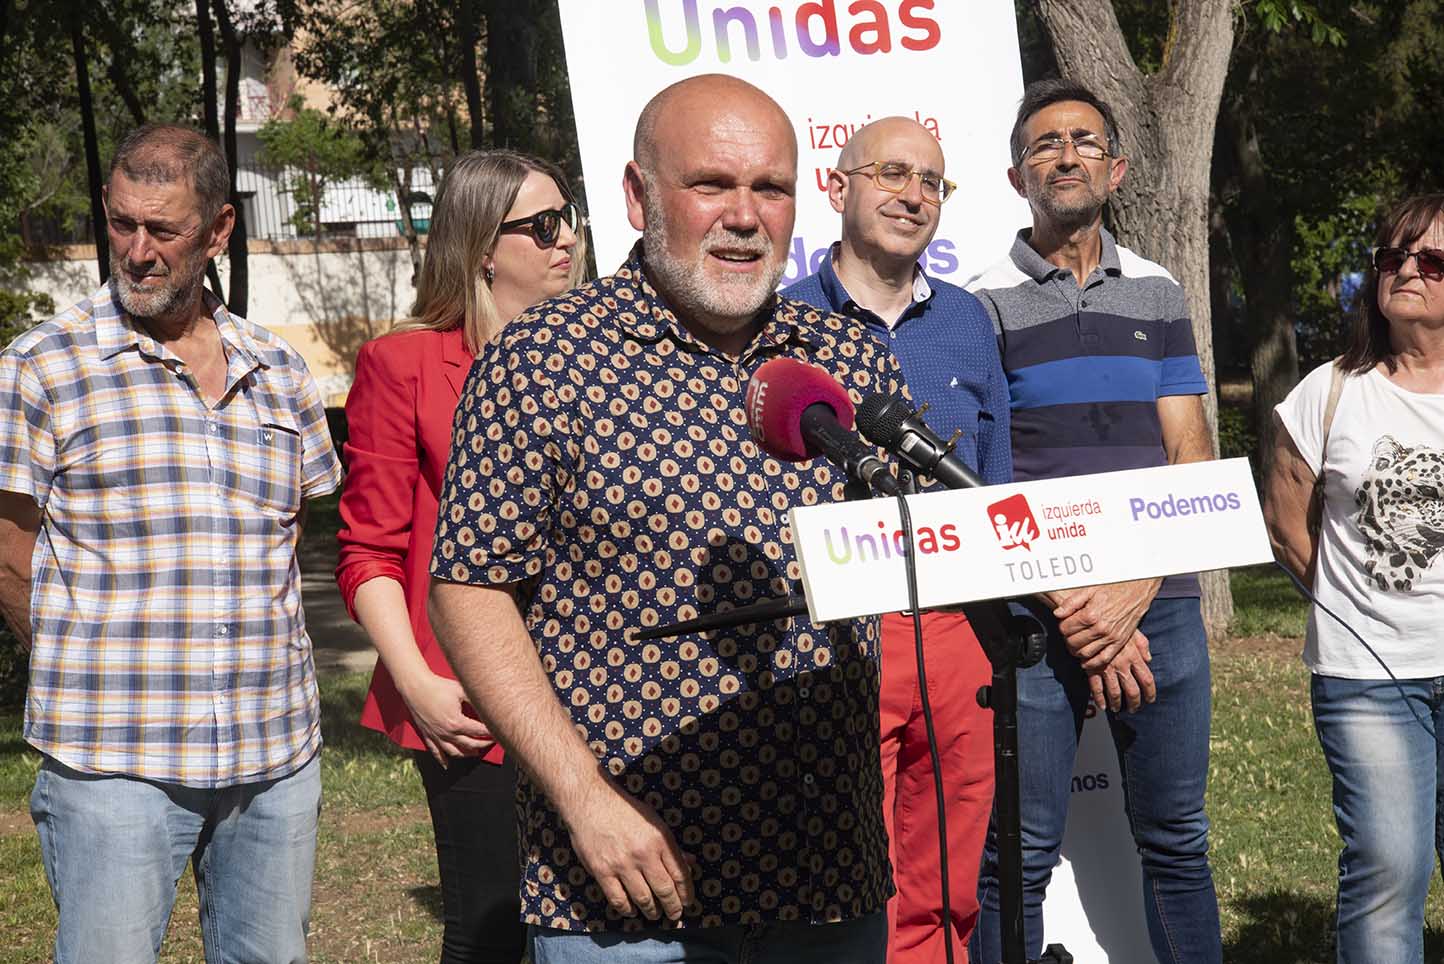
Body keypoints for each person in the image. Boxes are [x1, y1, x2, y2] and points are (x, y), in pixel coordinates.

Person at [426, 74, 907, 964]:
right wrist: (585, 801)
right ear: (639, 196)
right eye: (711, 185)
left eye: (770, 187)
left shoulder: (847, 358)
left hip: (826, 875)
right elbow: (469, 592)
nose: (745, 214)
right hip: (627, 887)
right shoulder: (543, 361)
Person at [0, 124, 342, 963]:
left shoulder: (280, 370)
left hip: (275, 755)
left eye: (164, 230)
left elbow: (290, 539)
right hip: (112, 759)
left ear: (220, 230)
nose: (138, 251)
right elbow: (9, 557)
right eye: (122, 224)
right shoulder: (41, 368)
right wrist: (91, 669)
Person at [964, 79, 1220, 963]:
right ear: (1014, 175)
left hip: (1166, 603)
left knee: (1178, 842)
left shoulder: (1158, 291)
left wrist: (1131, 593)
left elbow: (1189, 453)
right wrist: (1083, 610)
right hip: (1040, 615)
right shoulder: (977, 305)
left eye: (1082, 140)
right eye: (1044, 144)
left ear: (1114, 169)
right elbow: (985, 479)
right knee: (1020, 854)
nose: (1065, 154)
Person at [335, 149, 586, 963]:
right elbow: (370, 548)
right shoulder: (403, 363)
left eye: (569, 218)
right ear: (481, 245)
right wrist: (418, 684)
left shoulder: (601, 357)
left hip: (600, 682)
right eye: (542, 226)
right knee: (492, 926)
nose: (567, 241)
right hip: (469, 697)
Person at [784, 116, 1010, 962]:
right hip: (832, 636)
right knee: (845, 878)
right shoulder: (778, 321)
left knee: (949, 874)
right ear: (836, 186)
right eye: (891, 172)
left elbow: (999, 478)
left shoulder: (968, 322)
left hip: (955, 631)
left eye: (932, 182)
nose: (913, 195)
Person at [1264, 193, 1444, 964]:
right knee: (1388, 871)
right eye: (1391, 257)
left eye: (1430, 260)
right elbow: (1287, 523)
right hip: (1370, 678)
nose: (1406, 270)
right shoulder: (1328, 392)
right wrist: (1362, 605)